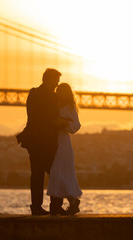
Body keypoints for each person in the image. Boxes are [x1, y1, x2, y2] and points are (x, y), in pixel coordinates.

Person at [16, 68, 68, 215]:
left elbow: (33, 116)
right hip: (46, 141)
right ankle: (55, 206)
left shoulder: (33, 93)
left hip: (33, 140)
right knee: (56, 173)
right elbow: (50, 118)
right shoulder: (52, 97)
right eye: (56, 81)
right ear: (49, 80)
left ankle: (36, 207)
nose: (57, 84)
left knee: (37, 175)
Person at [47, 83, 82, 215]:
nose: (58, 92)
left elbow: (76, 126)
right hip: (54, 141)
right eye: (58, 90)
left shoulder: (70, 108)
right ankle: (71, 202)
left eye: (61, 91)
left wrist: (64, 123)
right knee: (58, 173)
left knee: (60, 172)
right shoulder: (54, 104)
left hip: (63, 142)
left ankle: (71, 201)